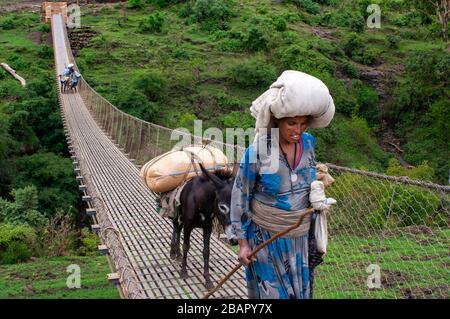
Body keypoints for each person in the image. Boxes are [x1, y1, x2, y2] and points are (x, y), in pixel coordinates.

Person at [230, 70, 335, 299]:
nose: (298, 131)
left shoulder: (308, 143)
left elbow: (307, 179)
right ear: (277, 120)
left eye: (303, 124)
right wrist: (243, 244)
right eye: (291, 124)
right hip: (266, 241)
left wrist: (317, 194)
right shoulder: (259, 151)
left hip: (299, 240)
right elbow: (240, 197)